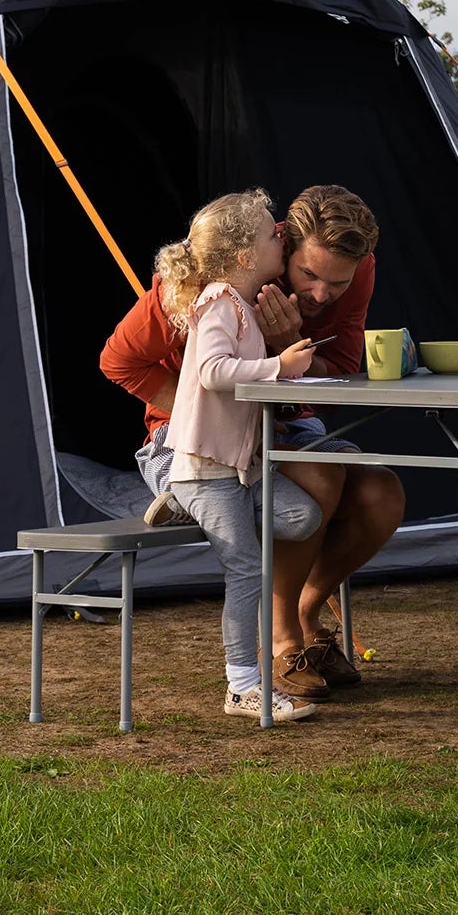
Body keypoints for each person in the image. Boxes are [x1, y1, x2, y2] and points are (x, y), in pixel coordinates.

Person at [100, 183, 405, 700]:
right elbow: (118, 361)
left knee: (383, 495)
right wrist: (217, 415)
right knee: (320, 476)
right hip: (191, 439)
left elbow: (342, 373)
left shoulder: (356, 273)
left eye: (338, 283)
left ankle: (307, 613)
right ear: (281, 245)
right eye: (309, 275)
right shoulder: (207, 281)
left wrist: (287, 350)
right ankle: (283, 641)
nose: (320, 294)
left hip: (286, 424)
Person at [153, 189, 319, 719]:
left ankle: (181, 501)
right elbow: (211, 371)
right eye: (273, 232)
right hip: (208, 468)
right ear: (246, 256)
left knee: (302, 515)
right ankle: (242, 684)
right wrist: (279, 369)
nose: (282, 235)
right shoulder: (220, 300)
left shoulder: (243, 304)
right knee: (247, 569)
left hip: (238, 469)